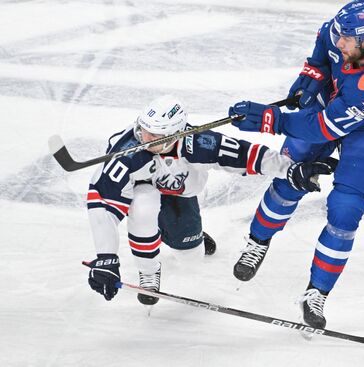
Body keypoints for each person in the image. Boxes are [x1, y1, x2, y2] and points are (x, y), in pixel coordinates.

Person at [228, 1, 364, 328]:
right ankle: (257, 242)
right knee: (289, 176)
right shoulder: (343, 32)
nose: (340, 42)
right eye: (339, 33)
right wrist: (311, 75)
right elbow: (324, 48)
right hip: (335, 103)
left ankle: (317, 293)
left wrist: (272, 119)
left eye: (347, 40)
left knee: (346, 208)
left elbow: (324, 128)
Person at [84, 95, 336, 305]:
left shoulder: (199, 143)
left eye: (154, 136)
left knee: (191, 255)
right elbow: (101, 205)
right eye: (143, 131)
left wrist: (290, 169)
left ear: (175, 135)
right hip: (143, 193)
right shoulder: (126, 153)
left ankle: (192, 237)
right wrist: (106, 258)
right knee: (144, 206)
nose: (144, 139)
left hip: (181, 195)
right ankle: (149, 272)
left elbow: (248, 155)